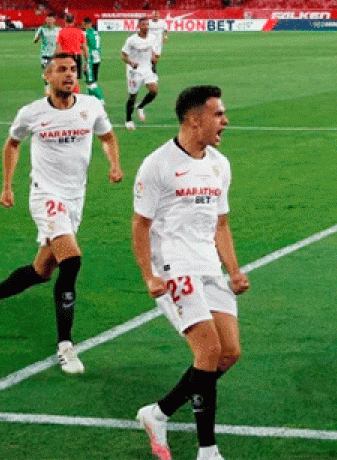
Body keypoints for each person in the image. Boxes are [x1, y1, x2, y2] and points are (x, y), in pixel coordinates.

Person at [0, 52, 124, 374]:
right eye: (61, 70)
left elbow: (107, 136)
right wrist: (7, 185)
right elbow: (12, 145)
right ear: (47, 76)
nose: (69, 74)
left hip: (75, 198)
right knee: (72, 261)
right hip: (45, 195)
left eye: (73, 69)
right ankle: (65, 346)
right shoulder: (32, 113)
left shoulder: (91, 106)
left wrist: (114, 164)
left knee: (42, 271)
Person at [132, 85, 249, 460]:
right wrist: (150, 275)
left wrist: (233, 269)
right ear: (193, 119)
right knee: (209, 349)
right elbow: (139, 225)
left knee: (229, 353)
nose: (225, 121)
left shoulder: (219, 164)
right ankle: (207, 449)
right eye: (218, 114)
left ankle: (159, 413)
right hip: (173, 268)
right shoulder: (158, 165)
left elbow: (222, 224)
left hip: (208, 266)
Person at [120, 17, 159, 130]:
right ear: (139, 26)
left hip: (147, 69)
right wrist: (130, 62)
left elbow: (153, 52)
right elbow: (123, 55)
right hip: (135, 71)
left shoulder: (152, 38)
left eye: (147, 24)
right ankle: (128, 119)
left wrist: (154, 61)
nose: (146, 27)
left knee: (154, 91)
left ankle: (141, 106)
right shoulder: (132, 40)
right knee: (132, 96)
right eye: (143, 25)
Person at [56, 14, 88, 92]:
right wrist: (86, 60)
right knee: (75, 79)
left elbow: (58, 48)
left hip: (65, 58)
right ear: (74, 21)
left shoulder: (61, 32)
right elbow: (84, 47)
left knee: (64, 79)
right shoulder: (79, 32)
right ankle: (76, 97)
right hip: (77, 57)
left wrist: (56, 59)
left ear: (64, 21)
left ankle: (66, 97)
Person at [82, 17, 105, 101]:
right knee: (91, 81)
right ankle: (91, 100)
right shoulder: (96, 33)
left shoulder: (85, 33)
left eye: (84, 24)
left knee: (91, 82)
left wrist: (85, 61)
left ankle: (101, 99)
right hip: (97, 58)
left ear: (86, 24)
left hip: (90, 59)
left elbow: (84, 47)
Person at [146, 10, 167, 74]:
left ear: (158, 16)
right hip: (150, 42)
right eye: (154, 16)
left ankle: (153, 65)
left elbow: (165, 31)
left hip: (158, 42)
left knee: (157, 56)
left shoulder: (162, 23)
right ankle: (151, 67)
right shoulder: (148, 22)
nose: (155, 17)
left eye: (156, 16)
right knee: (151, 55)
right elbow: (144, 30)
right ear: (152, 16)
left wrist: (165, 37)